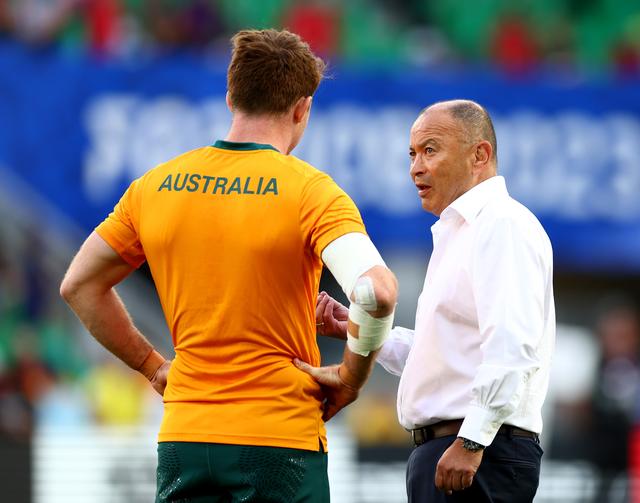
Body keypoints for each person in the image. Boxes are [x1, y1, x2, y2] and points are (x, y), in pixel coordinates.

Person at [60, 29, 398, 502]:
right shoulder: (311, 191)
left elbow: (79, 285)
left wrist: (152, 367)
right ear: (303, 108)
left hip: (185, 438)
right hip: (278, 443)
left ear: (230, 96)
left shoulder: (154, 186)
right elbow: (376, 293)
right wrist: (351, 377)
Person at [298, 100, 555, 502]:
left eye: (431, 150)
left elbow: (511, 347)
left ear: (479, 155)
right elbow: (445, 355)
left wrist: (472, 442)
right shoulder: (461, 232)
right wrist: (359, 328)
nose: (416, 167)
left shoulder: (502, 224)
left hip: (477, 452)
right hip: (457, 448)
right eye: (413, 154)